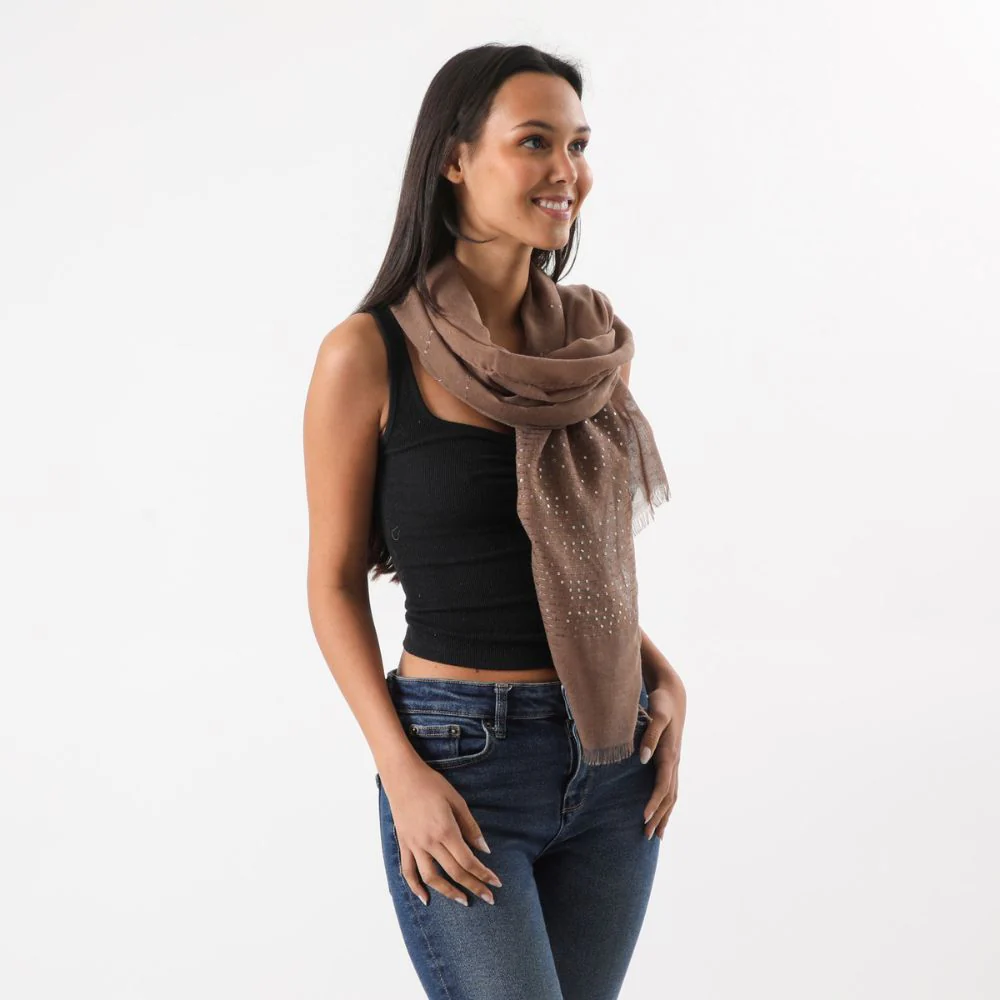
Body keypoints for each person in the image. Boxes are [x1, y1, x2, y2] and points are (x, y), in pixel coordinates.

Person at [303, 42, 687, 1000]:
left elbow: (576, 568)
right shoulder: (367, 353)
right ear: (454, 158)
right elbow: (333, 581)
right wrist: (400, 771)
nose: (566, 170)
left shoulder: (590, 347)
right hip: (460, 758)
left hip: (615, 760)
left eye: (579, 145)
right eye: (534, 142)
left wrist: (663, 676)